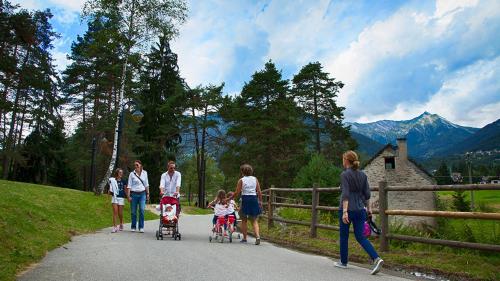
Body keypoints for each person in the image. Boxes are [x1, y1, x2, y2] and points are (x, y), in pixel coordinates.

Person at [334, 150, 384, 275]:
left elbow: (345, 194)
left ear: (346, 160)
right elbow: (367, 194)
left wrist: (345, 211)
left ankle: (343, 262)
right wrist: (369, 209)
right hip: (360, 209)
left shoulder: (345, 175)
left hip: (347, 210)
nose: (342, 161)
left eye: (343, 159)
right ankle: (376, 258)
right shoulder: (363, 175)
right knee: (360, 236)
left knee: (344, 236)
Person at [234, 164, 262, 245]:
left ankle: (245, 238)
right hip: (253, 199)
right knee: (254, 220)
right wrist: (260, 201)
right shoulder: (255, 179)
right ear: (251, 171)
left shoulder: (241, 180)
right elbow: (259, 191)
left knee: (244, 220)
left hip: (245, 199)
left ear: (242, 172)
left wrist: (230, 198)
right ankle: (257, 236)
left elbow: (237, 192)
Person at [126, 160, 149, 233]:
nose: (135, 166)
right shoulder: (132, 174)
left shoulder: (145, 173)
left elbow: (146, 184)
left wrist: (148, 194)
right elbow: (129, 185)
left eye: (137, 165)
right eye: (135, 165)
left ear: (140, 165)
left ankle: (141, 227)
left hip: (142, 194)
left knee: (142, 210)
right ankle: (133, 226)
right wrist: (128, 196)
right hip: (134, 194)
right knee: (133, 212)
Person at [108, 168, 127, 233]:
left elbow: (125, 190)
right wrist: (108, 196)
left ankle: (121, 223)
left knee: (120, 213)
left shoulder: (123, 181)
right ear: (117, 173)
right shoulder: (113, 180)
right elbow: (110, 189)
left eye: (122, 173)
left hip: (121, 198)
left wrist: (128, 197)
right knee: (115, 212)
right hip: (114, 197)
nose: (121, 174)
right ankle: (115, 227)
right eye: (120, 173)